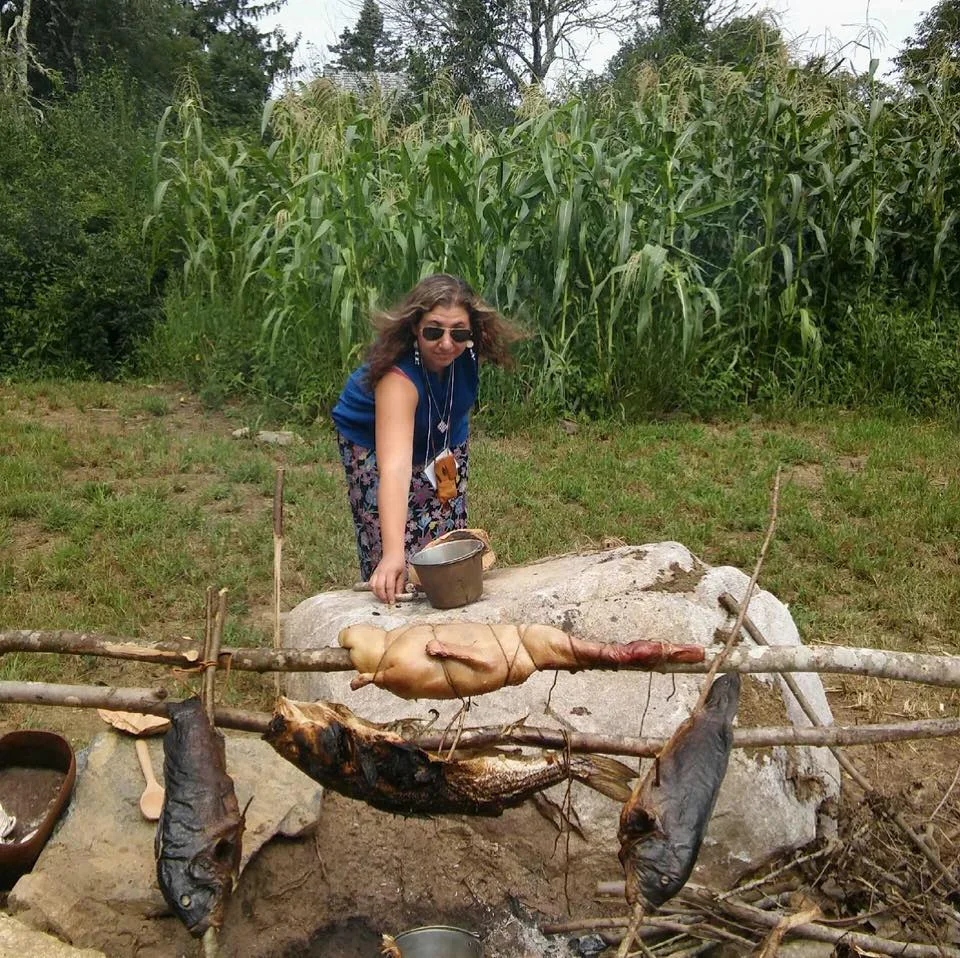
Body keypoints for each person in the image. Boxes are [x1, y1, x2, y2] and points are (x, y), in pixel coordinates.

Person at [332, 273, 523, 604]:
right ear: (415, 327)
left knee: (443, 533)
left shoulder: (466, 354)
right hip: (375, 445)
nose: (447, 343)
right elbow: (394, 468)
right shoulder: (398, 379)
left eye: (459, 332)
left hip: (443, 437)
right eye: (434, 330)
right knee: (395, 553)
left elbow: (452, 402)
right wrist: (393, 553)